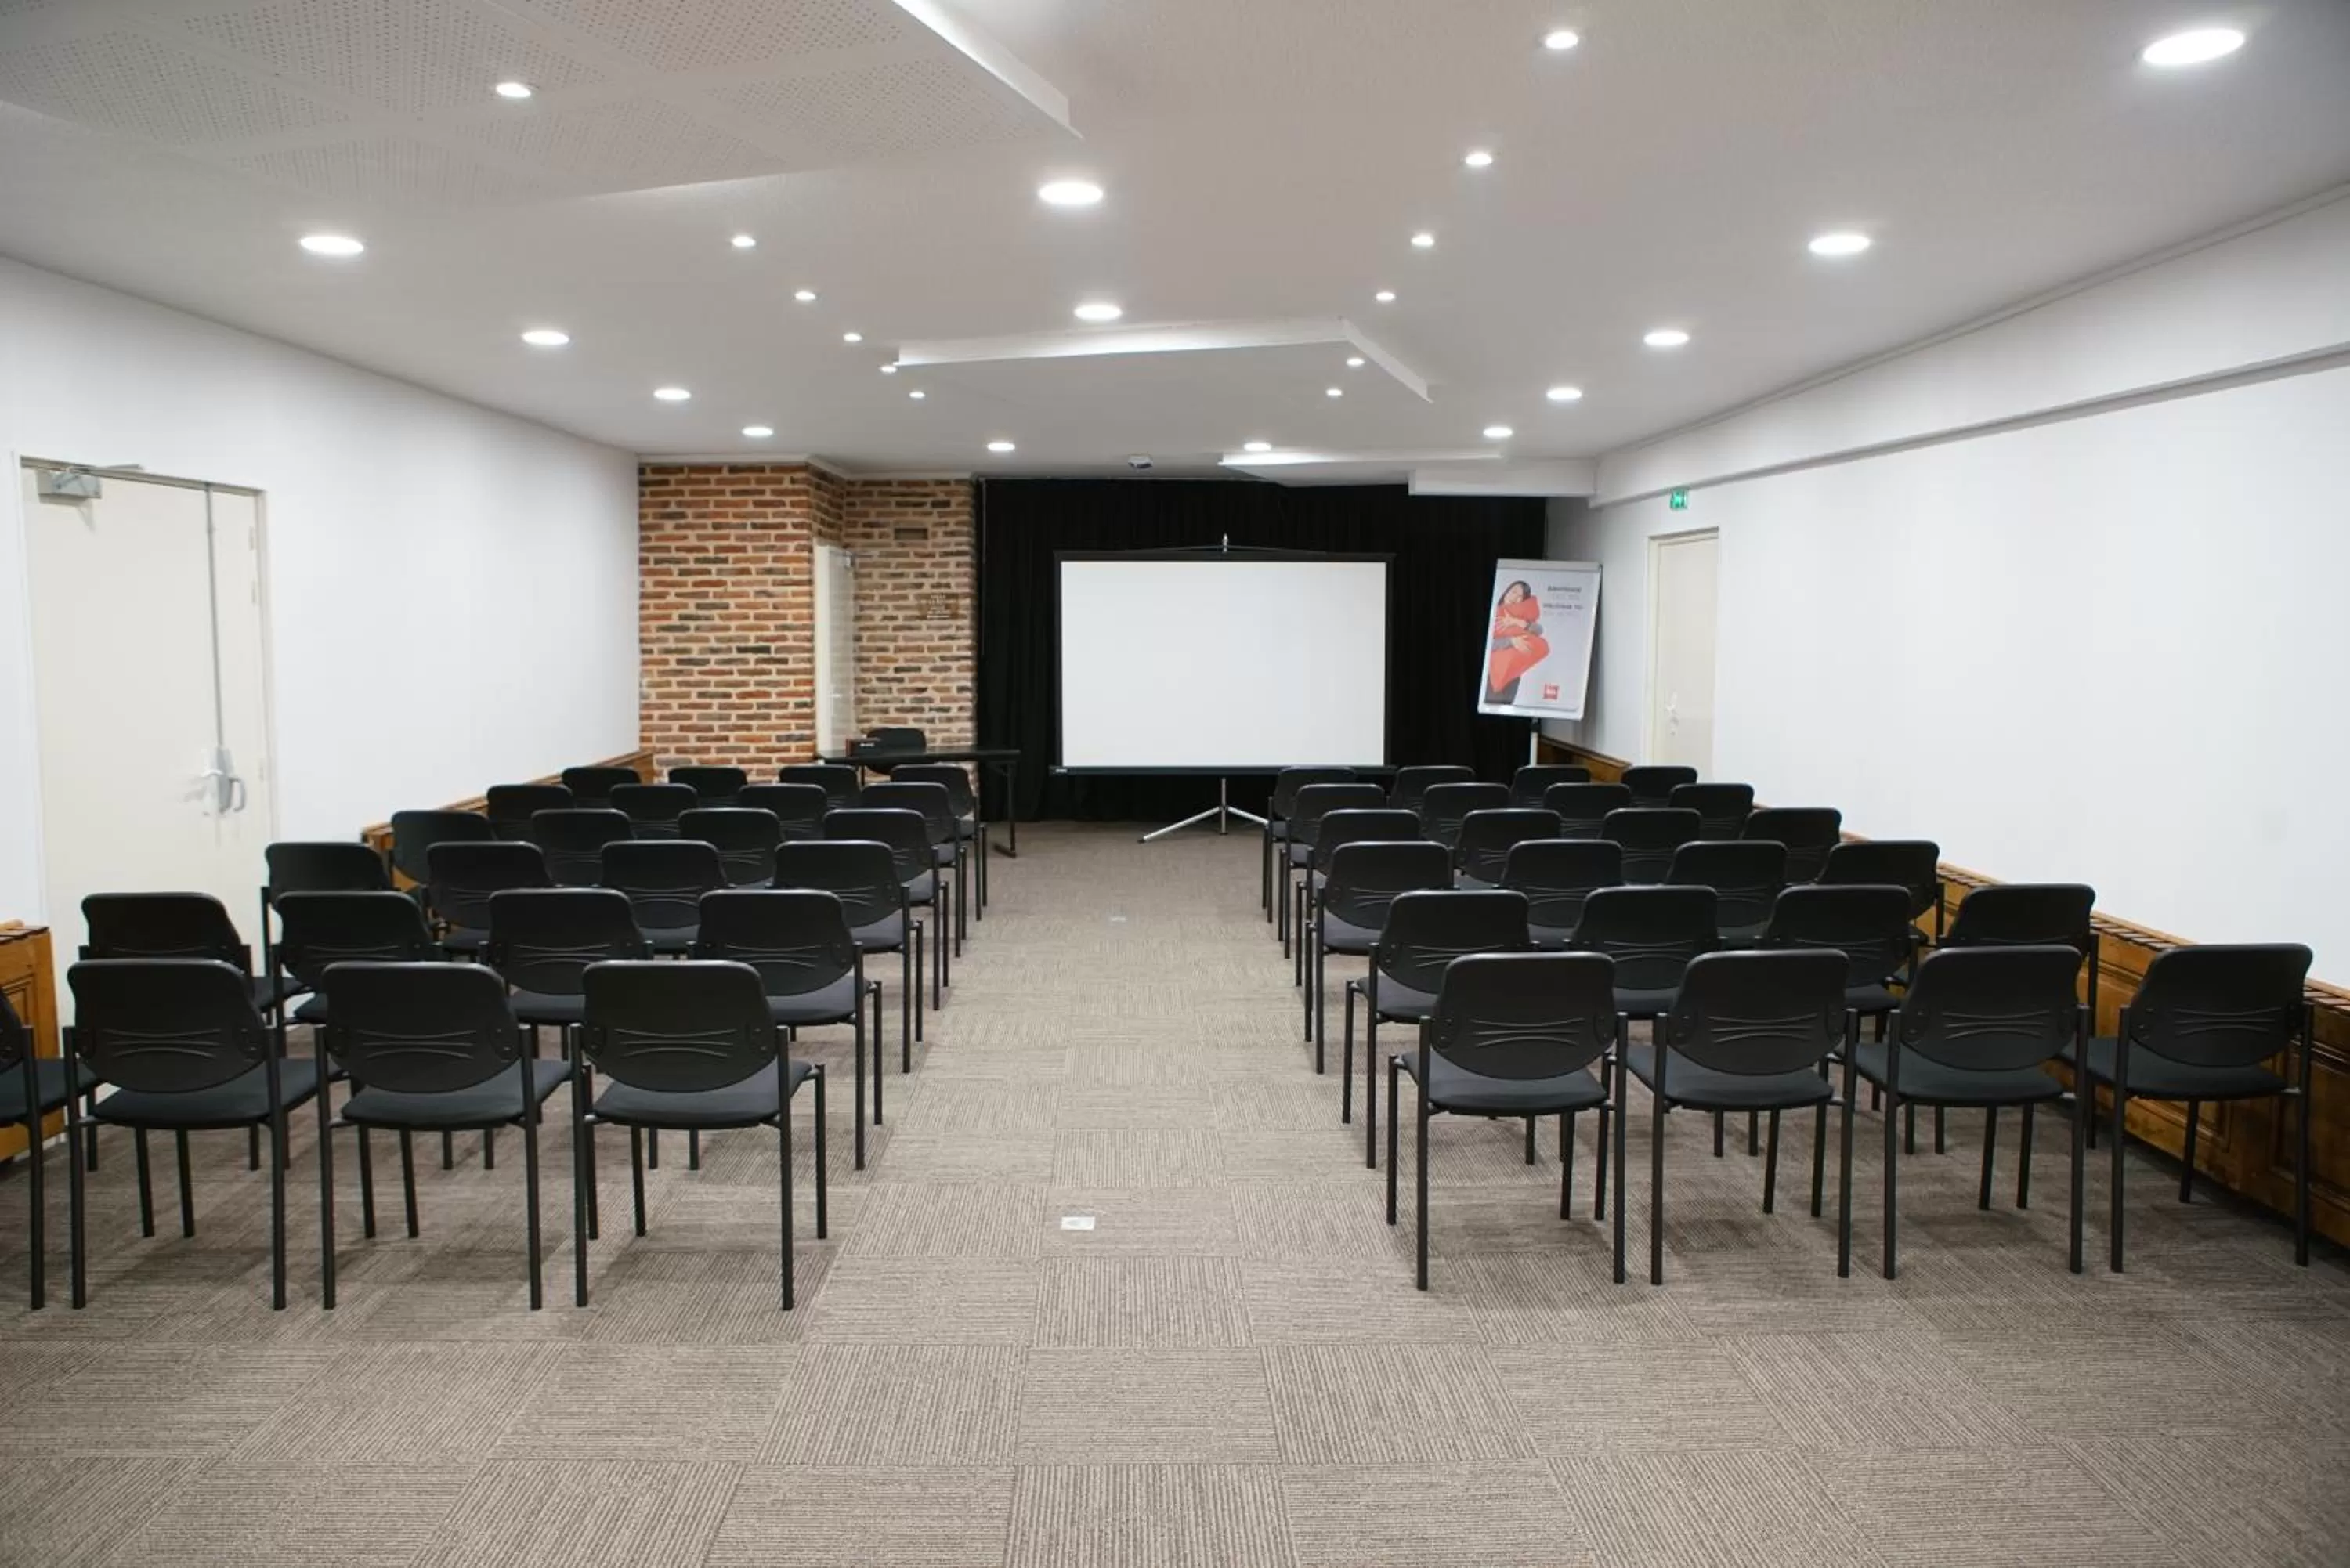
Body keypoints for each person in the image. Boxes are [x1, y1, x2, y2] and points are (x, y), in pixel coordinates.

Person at [1485, 580, 1549, 706]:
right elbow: (1488, 644)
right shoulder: (1493, 612)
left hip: (1513, 674)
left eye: (1520, 596)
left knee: (1505, 708)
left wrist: (1517, 622)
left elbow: (1538, 630)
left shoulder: (1522, 616)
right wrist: (1511, 641)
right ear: (1506, 592)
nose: (1515, 597)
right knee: (1489, 706)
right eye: (1513, 592)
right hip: (1491, 672)